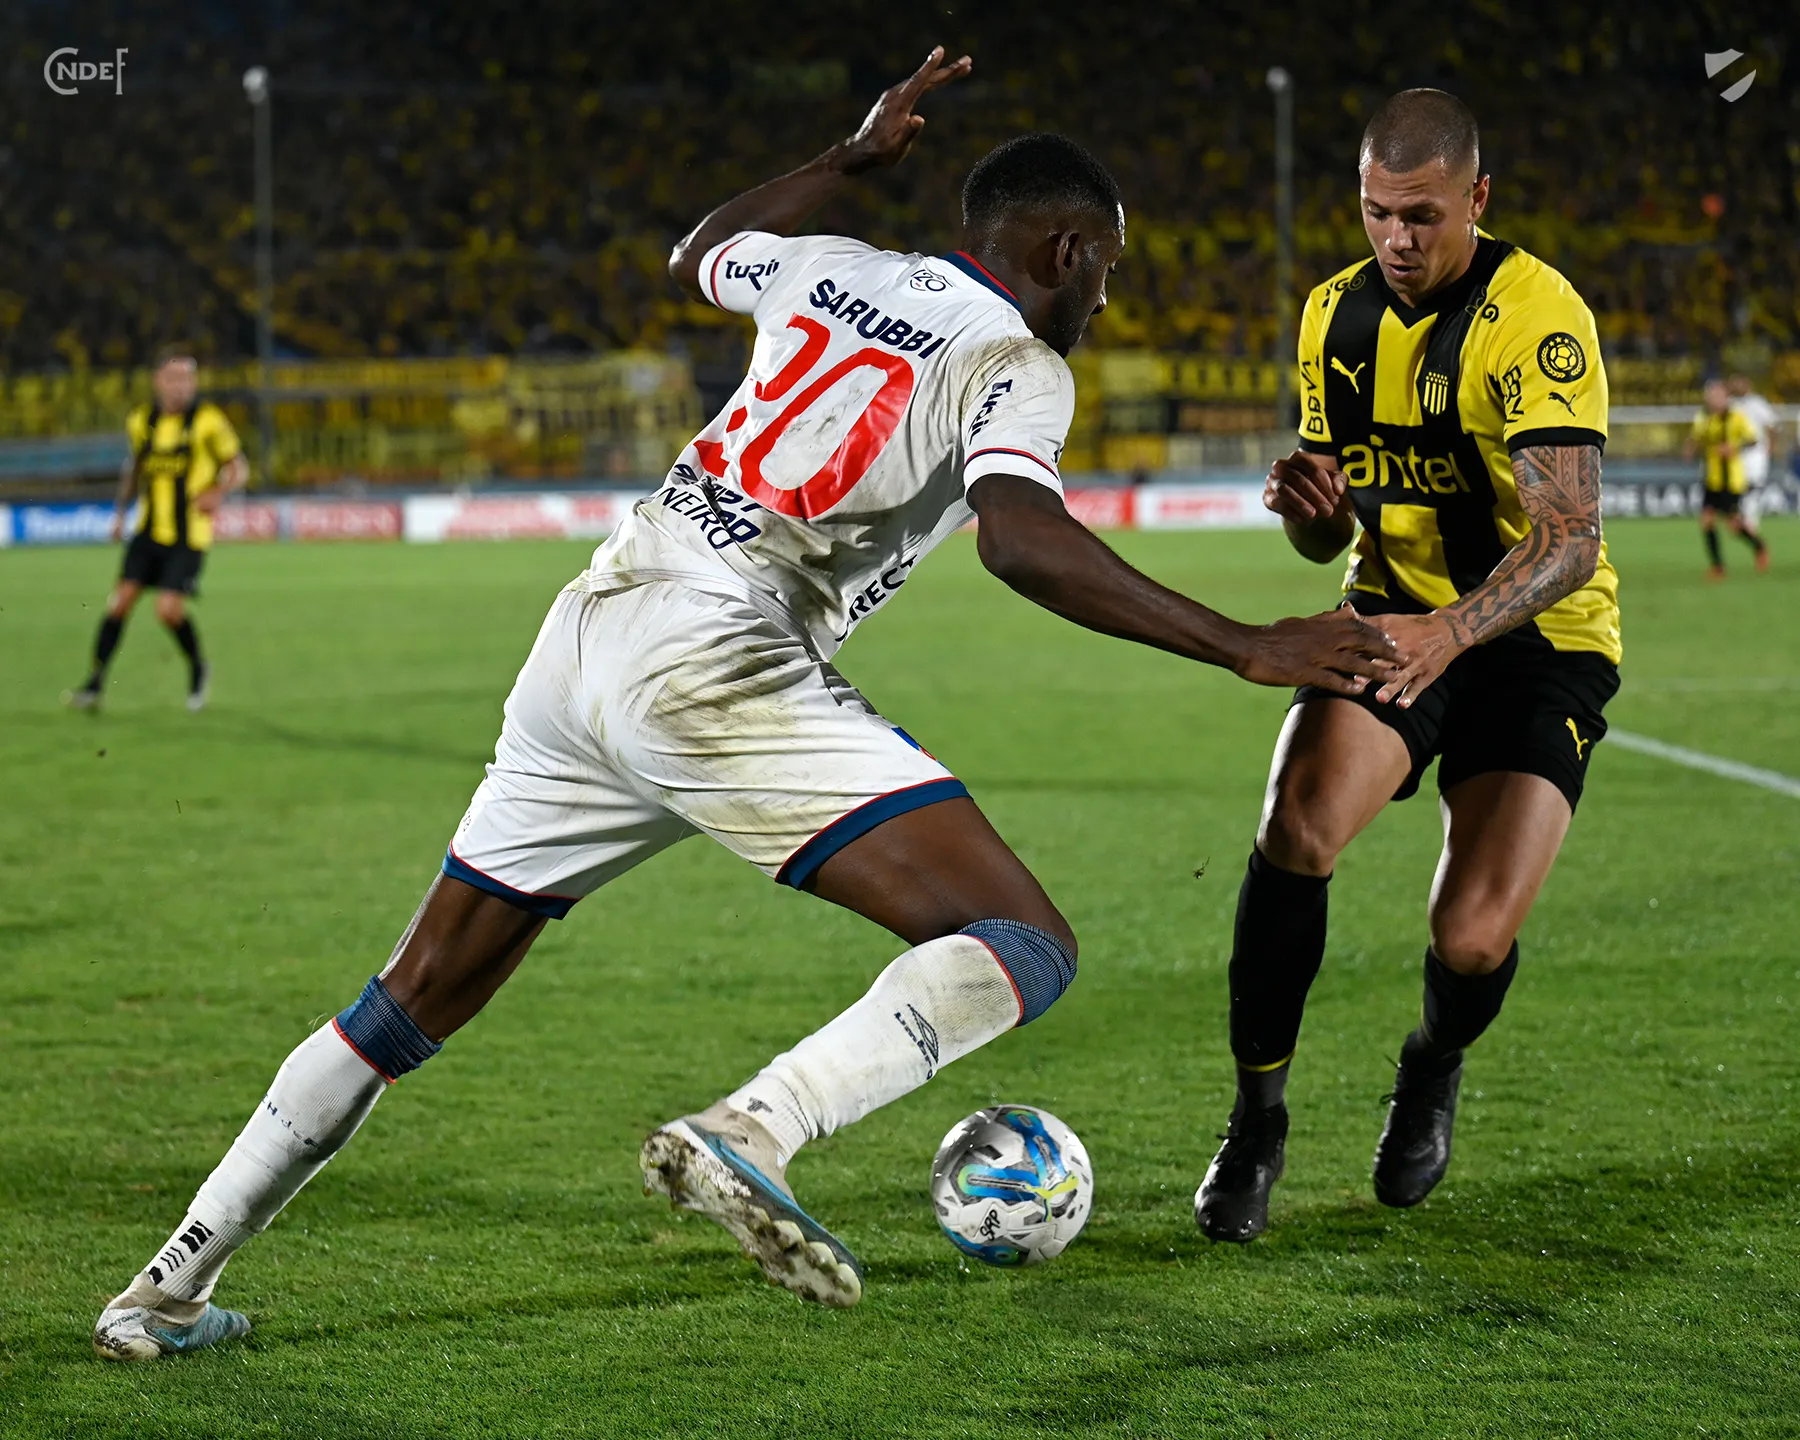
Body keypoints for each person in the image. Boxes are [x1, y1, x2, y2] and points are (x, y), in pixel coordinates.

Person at [94, 51, 1394, 1358]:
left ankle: (166, 1289)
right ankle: (757, 1127)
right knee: (1022, 940)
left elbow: (698, 254)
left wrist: (843, 160)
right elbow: (1020, 538)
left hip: (591, 632)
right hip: (718, 660)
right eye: (1105, 268)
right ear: (1064, 249)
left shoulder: (832, 265)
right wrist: (1245, 644)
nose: (1105, 297)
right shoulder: (1014, 358)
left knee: (410, 995)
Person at [1192, 88, 1622, 1243]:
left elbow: (1570, 541)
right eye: (1378, 213)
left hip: (1537, 645)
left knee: (1471, 936)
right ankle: (1257, 1120)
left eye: (1422, 215)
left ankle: (1430, 1064)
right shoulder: (1330, 316)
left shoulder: (1538, 317)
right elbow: (1332, 531)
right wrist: (1315, 517)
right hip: (1390, 617)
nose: (1397, 238)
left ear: (1477, 197)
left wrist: (1457, 630)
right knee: (1296, 826)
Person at [66, 346, 247, 712]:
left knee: (167, 611)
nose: (181, 386)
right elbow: (135, 469)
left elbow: (238, 467)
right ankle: (94, 684)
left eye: (188, 378)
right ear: (158, 381)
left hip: (188, 536)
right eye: (174, 378)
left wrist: (218, 491)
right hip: (148, 530)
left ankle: (198, 667)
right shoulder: (141, 420)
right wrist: (120, 514)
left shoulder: (208, 421)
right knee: (120, 603)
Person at [1685, 378, 1767, 577]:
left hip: (1732, 480)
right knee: (1707, 520)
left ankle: (1759, 547)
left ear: (1725, 397)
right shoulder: (1704, 418)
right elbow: (1696, 439)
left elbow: (1753, 440)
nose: (1714, 399)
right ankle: (1718, 566)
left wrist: (1734, 447)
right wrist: (1691, 450)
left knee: (1734, 525)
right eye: (1711, 396)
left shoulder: (1737, 417)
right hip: (1712, 478)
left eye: (1718, 395)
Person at [1727, 372, 1780, 543]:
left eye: (1739, 382)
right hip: (1736, 453)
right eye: (1734, 383)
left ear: (1747, 384)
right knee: (1738, 487)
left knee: (1754, 486)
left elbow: (1771, 425)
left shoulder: (1758, 403)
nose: (1736, 386)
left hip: (1756, 452)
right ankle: (1741, 521)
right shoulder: (1730, 404)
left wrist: (1771, 447)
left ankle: (1750, 522)